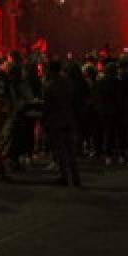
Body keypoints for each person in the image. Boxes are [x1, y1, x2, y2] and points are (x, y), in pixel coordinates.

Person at [43, 59, 82, 187]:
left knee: (61, 151)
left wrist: (45, 122)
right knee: (71, 151)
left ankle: (65, 177)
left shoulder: (49, 86)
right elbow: (74, 100)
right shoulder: (68, 83)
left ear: (50, 70)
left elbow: (47, 107)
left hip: (56, 121)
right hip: (69, 119)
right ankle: (76, 178)